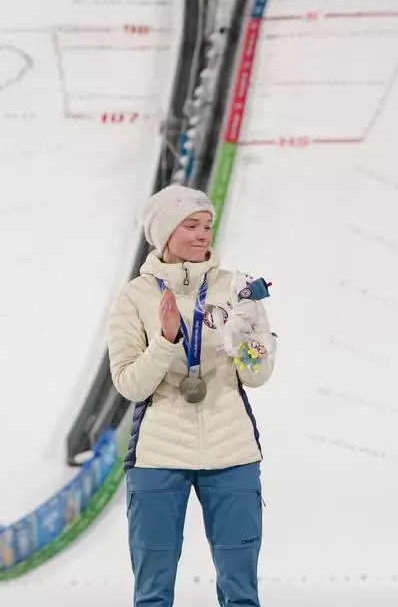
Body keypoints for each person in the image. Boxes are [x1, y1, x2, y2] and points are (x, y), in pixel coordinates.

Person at [105, 184, 276, 606]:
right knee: (152, 594)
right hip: (158, 458)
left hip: (232, 453)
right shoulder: (134, 297)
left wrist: (248, 337)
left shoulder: (238, 290)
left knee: (241, 592)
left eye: (207, 226)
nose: (204, 234)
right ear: (165, 234)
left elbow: (256, 376)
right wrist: (165, 341)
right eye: (192, 226)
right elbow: (130, 384)